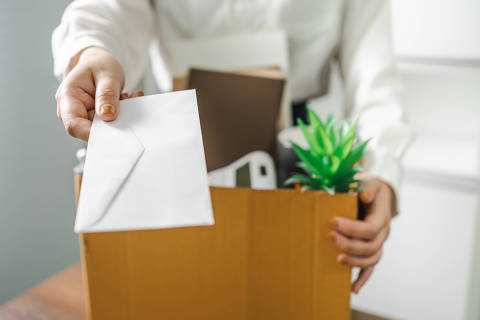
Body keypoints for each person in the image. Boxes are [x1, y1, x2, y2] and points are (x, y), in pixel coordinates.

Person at [52, 0, 413, 293]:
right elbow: (108, 10)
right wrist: (90, 52)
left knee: (285, 293)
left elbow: (374, 77)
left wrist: (381, 170)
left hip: (298, 158)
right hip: (179, 138)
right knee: (177, 291)